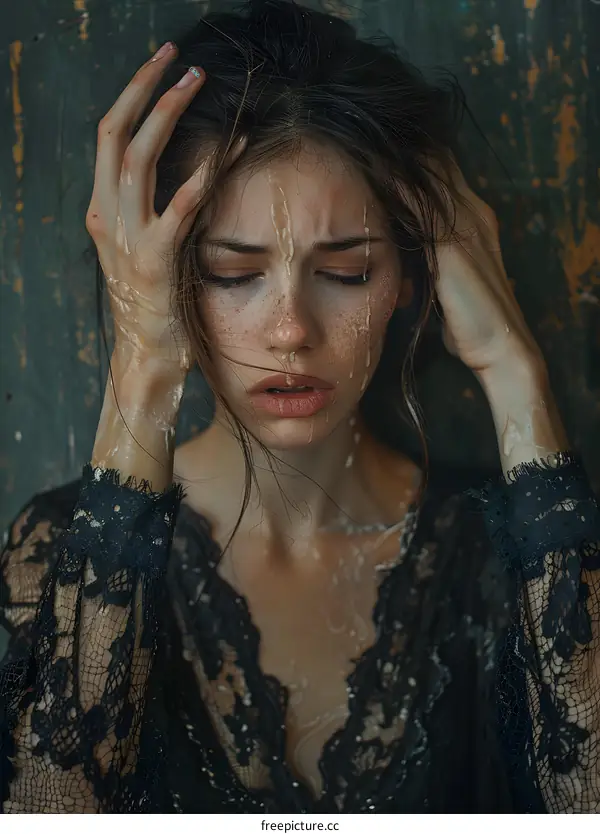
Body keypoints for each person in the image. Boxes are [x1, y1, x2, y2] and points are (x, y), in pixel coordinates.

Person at [0, 0, 599, 814]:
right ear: (166, 282)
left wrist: (513, 368)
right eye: (230, 272)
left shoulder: (515, 557)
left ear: (410, 280)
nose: (289, 330)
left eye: (347, 270)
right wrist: (144, 361)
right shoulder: (60, 552)